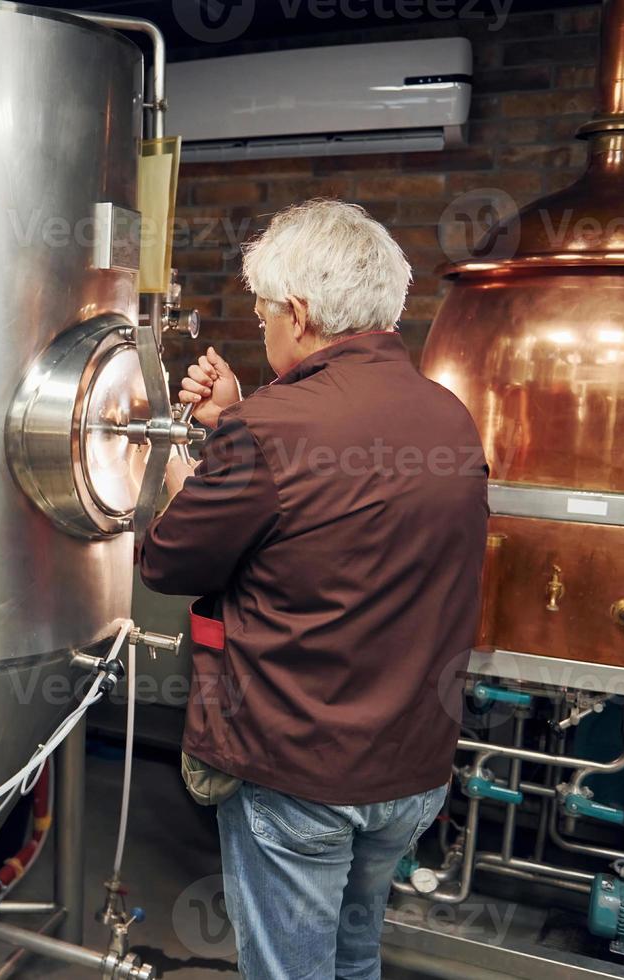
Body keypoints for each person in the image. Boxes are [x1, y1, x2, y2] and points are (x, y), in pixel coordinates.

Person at [138, 199, 488, 980]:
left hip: (302, 778)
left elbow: (169, 563)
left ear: (296, 313)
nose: (263, 328)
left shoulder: (271, 429)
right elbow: (328, 529)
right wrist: (236, 417)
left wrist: (179, 477)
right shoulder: (448, 417)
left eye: (264, 313)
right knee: (353, 955)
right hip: (413, 771)